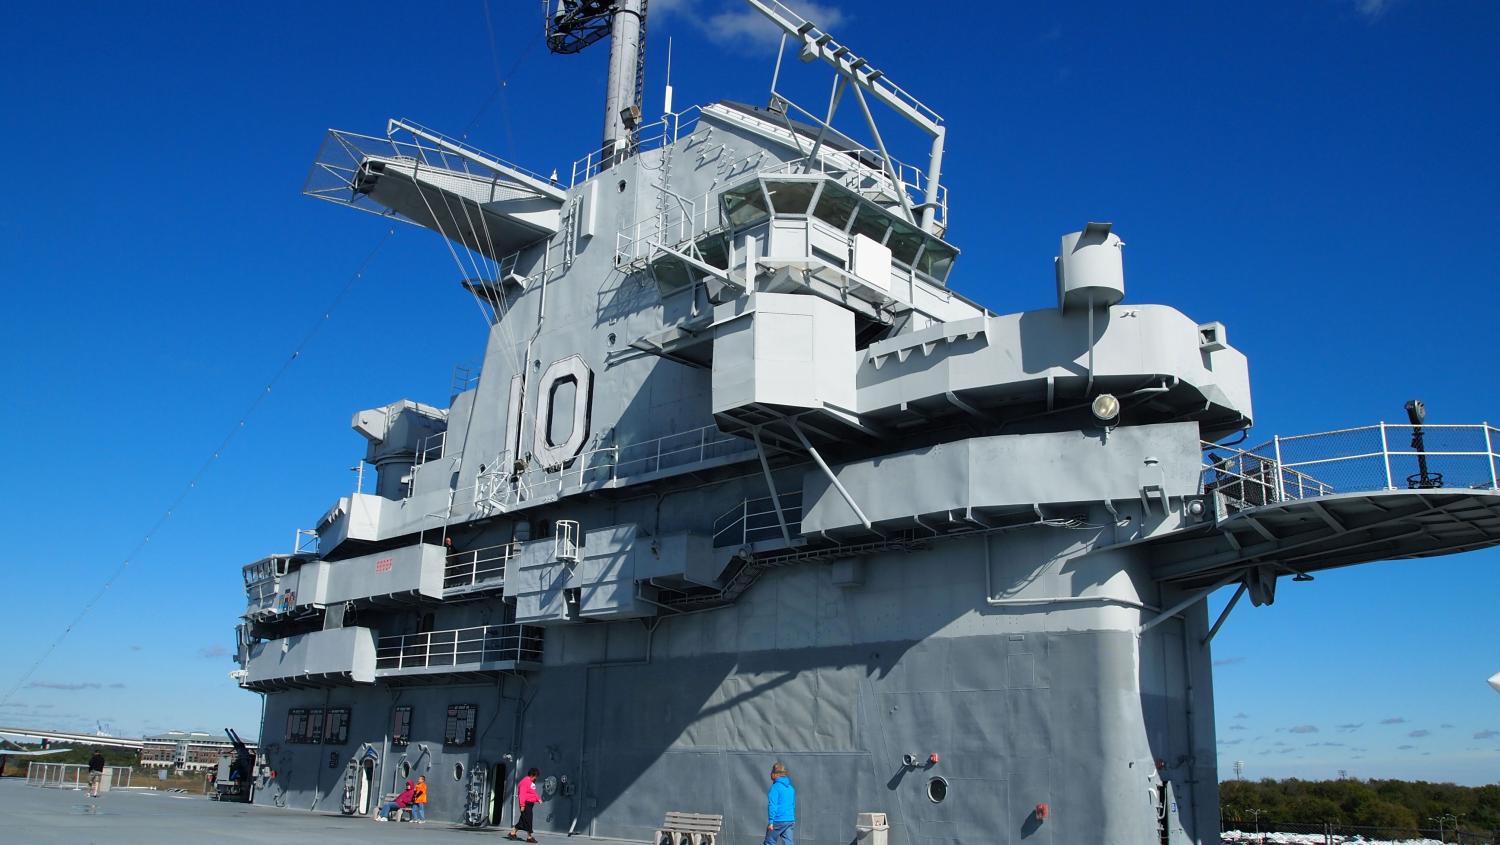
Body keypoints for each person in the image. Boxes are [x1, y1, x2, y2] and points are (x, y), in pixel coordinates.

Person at [764, 761, 796, 845]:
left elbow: (772, 805)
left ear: (776, 774)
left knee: (769, 842)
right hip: (790, 820)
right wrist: (791, 818)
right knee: (789, 843)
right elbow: (792, 805)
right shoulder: (790, 788)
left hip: (778, 820)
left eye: (772, 772)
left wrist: (771, 822)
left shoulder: (775, 787)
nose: (770, 774)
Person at [508, 767, 541, 842]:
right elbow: (522, 794)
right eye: (535, 777)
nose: (536, 778)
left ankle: (512, 833)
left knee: (523, 820)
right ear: (532, 775)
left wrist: (538, 799)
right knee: (528, 820)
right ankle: (529, 837)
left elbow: (533, 792)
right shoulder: (525, 782)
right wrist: (522, 805)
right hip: (526, 804)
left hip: (529, 805)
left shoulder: (531, 782)